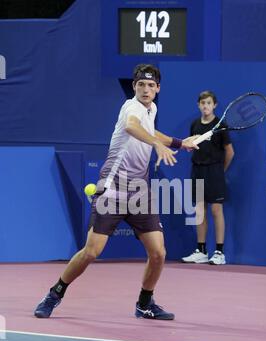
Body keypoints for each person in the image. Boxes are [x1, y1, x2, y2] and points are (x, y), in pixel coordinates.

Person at [34, 63, 198, 320]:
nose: (145, 89)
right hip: (113, 190)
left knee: (158, 253)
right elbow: (133, 127)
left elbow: (149, 130)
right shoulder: (130, 107)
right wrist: (156, 145)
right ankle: (54, 293)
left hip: (139, 191)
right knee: (92, 252)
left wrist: (179, 143)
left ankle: (144, 304)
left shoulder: (151, 108)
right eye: (141, 85)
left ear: (157, 89)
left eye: (150, 85)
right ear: (134, 87)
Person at [182, 91, 234, 265]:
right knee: (200, 211)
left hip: (215, 172)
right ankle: (201, 250)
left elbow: (230, 152)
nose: (205, 106)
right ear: (198, 105)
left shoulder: (221, 125)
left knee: (215, 210)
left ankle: (219, 252)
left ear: (215, 105)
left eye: (209, 103)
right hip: (197, 170)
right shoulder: (195, 124)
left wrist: (220, 170)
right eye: (202, 103)